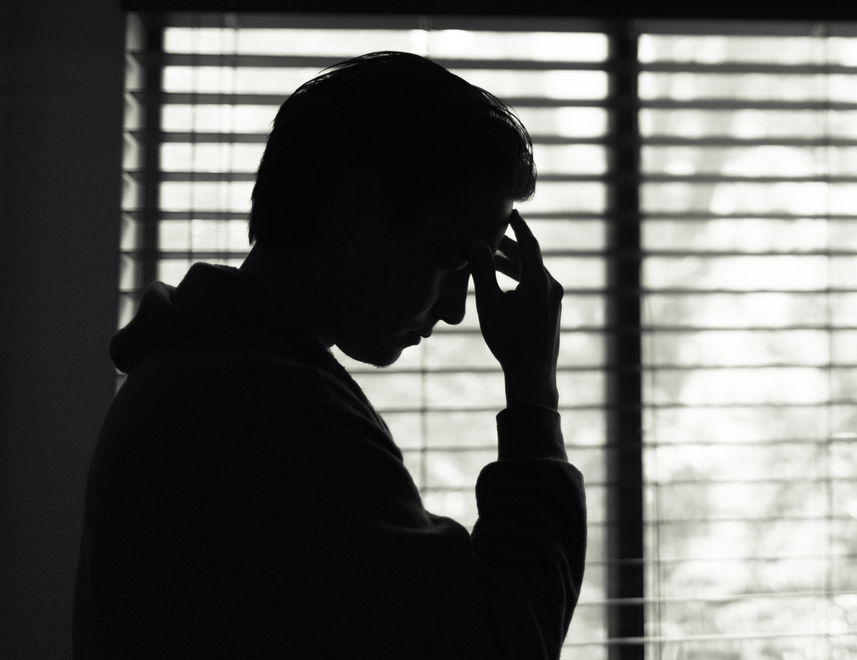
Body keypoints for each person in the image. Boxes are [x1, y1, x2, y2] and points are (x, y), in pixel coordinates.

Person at [73, 52, 585, 659]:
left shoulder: (202, 374)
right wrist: (532, 390)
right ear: (359, 206)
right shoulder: (266, 415)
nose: (455, 310)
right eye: (453, 261)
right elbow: (504, 643)